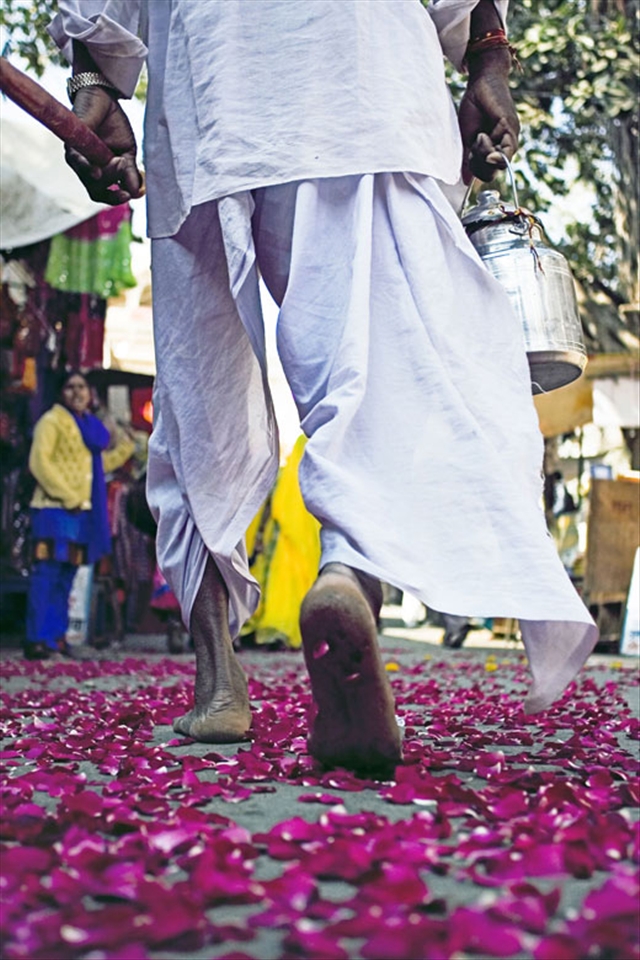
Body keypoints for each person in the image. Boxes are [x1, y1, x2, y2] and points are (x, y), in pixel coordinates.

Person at [50, 0, 598, 776]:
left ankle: (219, 686)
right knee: (365, 375)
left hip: (206, 83)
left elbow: (97, 13)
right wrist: (488, 63)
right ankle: (345, 574)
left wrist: (94, 86)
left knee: (199, 399)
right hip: (358, 75)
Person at [25, 371, 134, 659]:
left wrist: (125, 447)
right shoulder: (52, 421)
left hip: (80, 512)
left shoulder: (89, 428)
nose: (77, 393)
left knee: (67, 577)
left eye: (82, 387)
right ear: (61, 392)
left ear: (90, 394)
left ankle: (57, 638)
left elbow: (97, 467)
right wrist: (68, 495)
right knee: (47, 575)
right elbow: (39, 463)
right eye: (70, 387)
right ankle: (37, 639)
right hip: (54, 508)